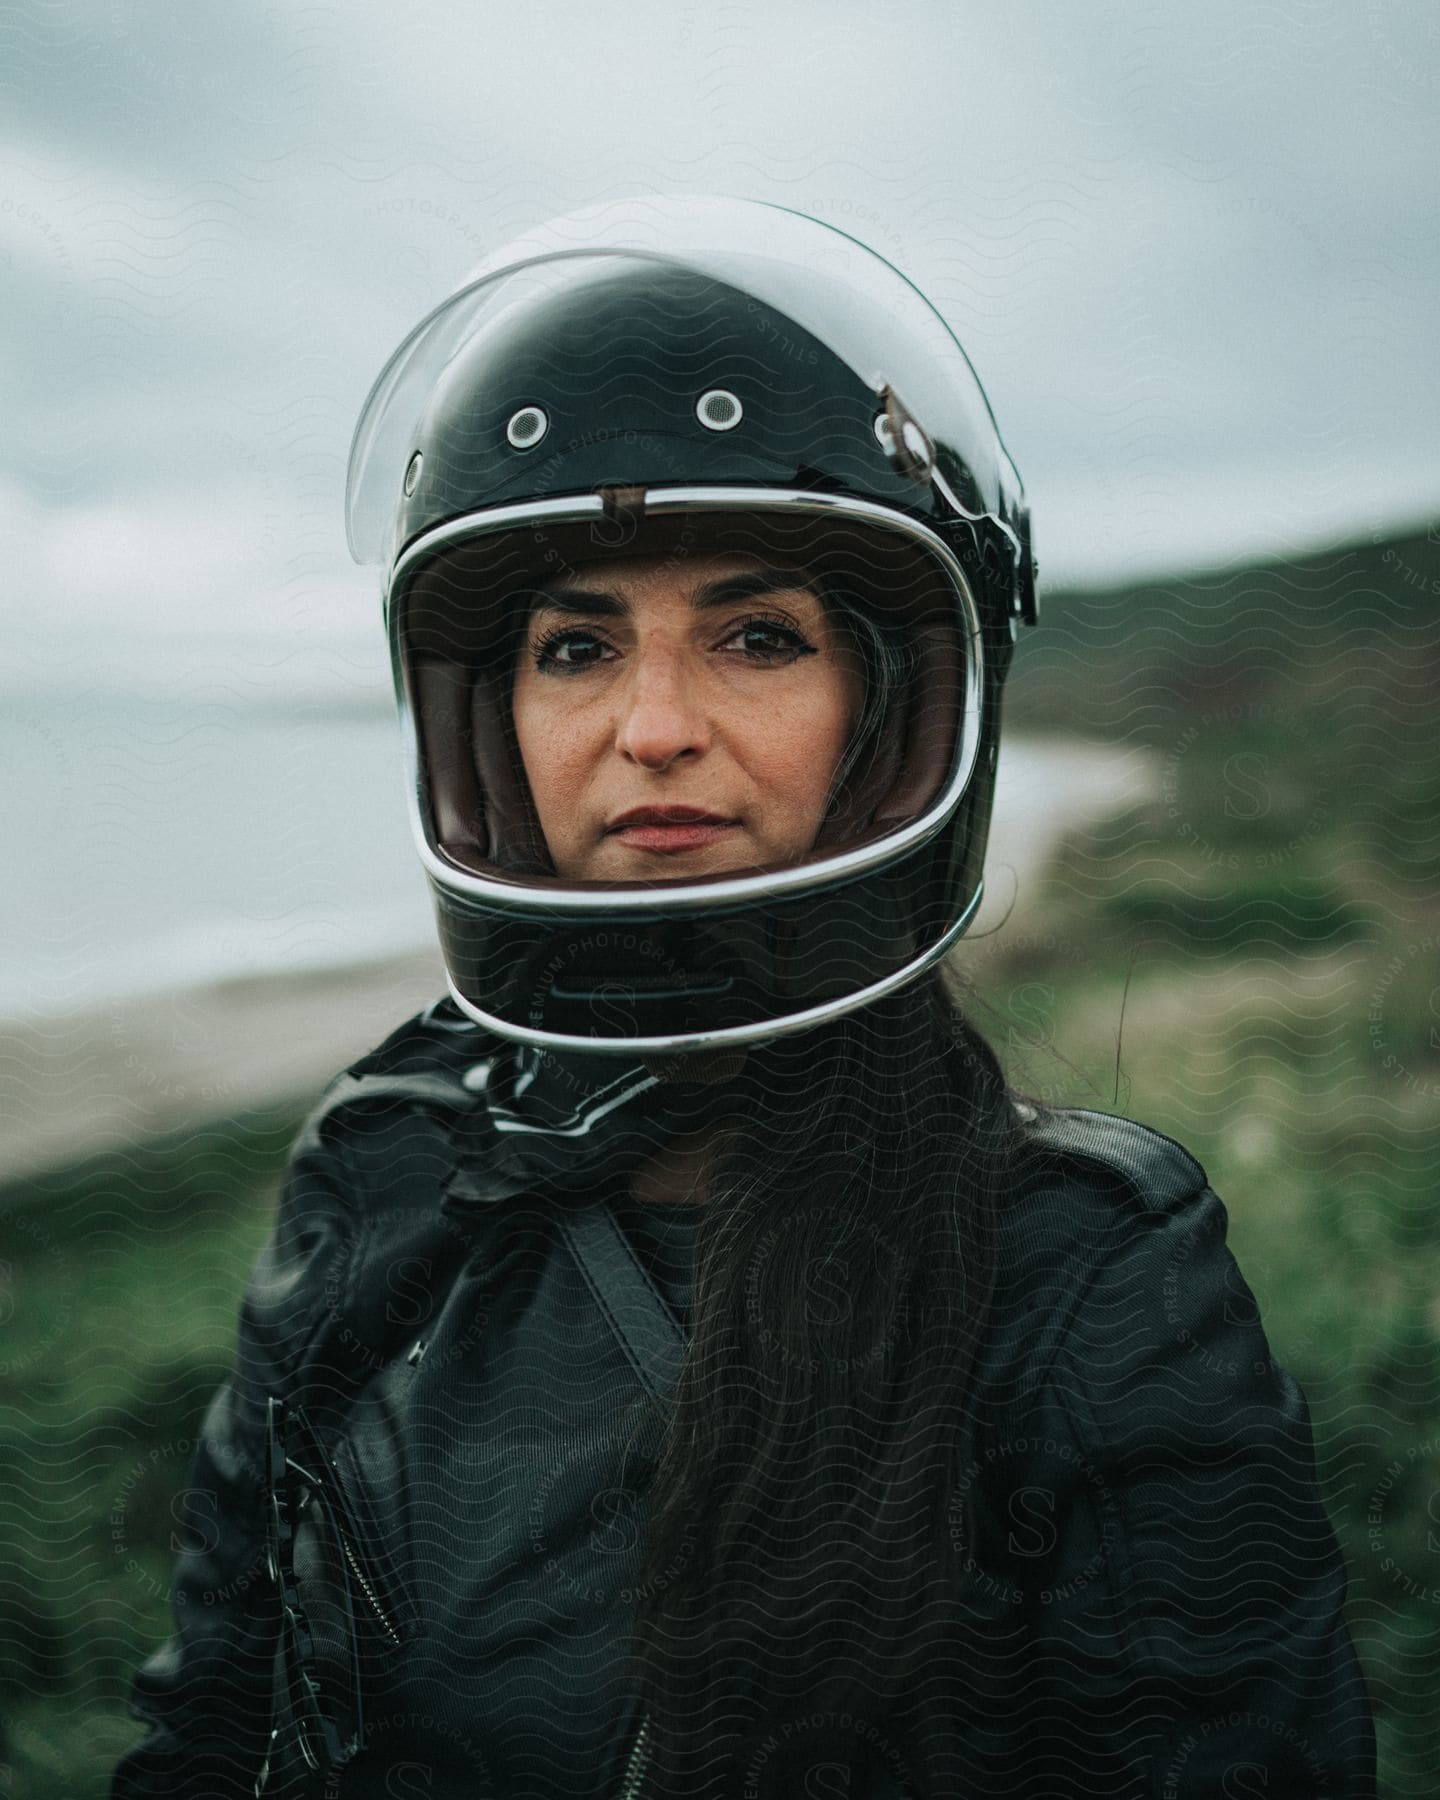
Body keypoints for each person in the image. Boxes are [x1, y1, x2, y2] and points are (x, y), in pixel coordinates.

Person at [110, 198, 1377, 1799]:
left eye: (758, 636)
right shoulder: (382, 1165)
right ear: (488, 722)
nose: (650, 727)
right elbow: (215, 1724)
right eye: (575, 647)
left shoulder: (1081, 1266)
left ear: (893, 706)